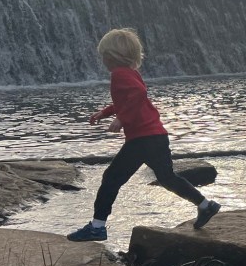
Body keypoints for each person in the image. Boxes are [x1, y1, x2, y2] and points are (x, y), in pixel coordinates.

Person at [67, 28, 220, 241]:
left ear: (113, 56)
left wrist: (122, 119)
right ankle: (206, 205)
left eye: (104, 55)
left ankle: (97, 227)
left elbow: (138, 95)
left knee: (111, 178)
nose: (102, 60)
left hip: (141, 139)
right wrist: (106, 112)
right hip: (156, 136)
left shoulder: (119, 74)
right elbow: (129, 99)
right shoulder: (130, 72)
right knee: (167, 178)